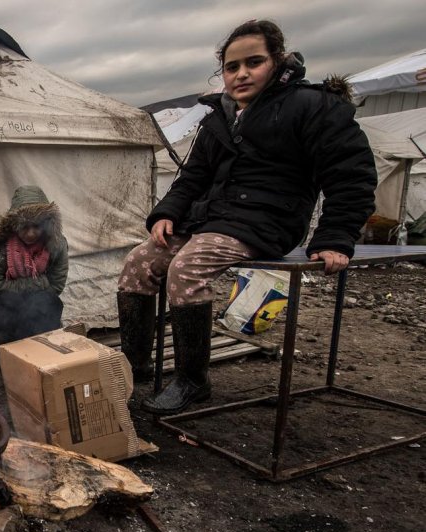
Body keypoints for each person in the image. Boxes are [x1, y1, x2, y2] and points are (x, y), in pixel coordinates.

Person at [117, 19, 377, 415]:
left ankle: (193, 381)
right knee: (139, 261)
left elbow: (350, 173)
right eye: (231, 67)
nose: (241, 74)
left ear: (277, 61)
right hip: (213, 219)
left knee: (186, 268)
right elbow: (193, 176)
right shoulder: (219, 116)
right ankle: (132, 366)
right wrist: (166, 213)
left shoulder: (311, 106)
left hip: (270, 221)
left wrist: (335, 237)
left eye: (253, 62)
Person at [0, 185, 69, 347]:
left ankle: (38, 351)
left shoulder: (56, 244)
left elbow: (56, 285)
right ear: (13, 225)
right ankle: (0, 358)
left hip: (38, 299)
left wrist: (31, 298)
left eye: (36, 226)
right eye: (25, 227)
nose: (31, 233)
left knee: (50, 303)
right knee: (5, 310)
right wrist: (38, 283)